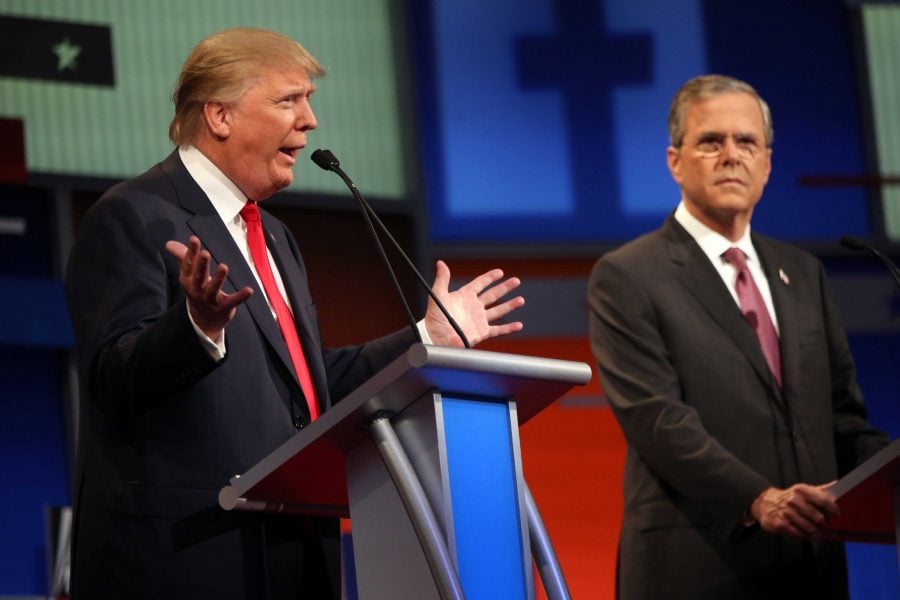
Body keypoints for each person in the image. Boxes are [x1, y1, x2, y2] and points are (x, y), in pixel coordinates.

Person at [64, 27, 525, 600]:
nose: (310, 121)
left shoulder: (276, 238)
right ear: (220, 115)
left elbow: (307, 393)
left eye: (308, 101)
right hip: (190, 561)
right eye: (288, 101)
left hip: (295, 552)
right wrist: (196, 329)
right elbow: (113, 378)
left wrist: (423, 339)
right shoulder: (134, 216)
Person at [587, 74, 889, 599]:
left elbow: (840, 417)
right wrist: (758, 498)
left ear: (767, 163)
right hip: (698, 567)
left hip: (809, 569)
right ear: (674, 161)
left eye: (746, 142)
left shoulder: (803, 272)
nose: (731, 155)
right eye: (710, 141)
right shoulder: (629, 275)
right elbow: (658, 420)